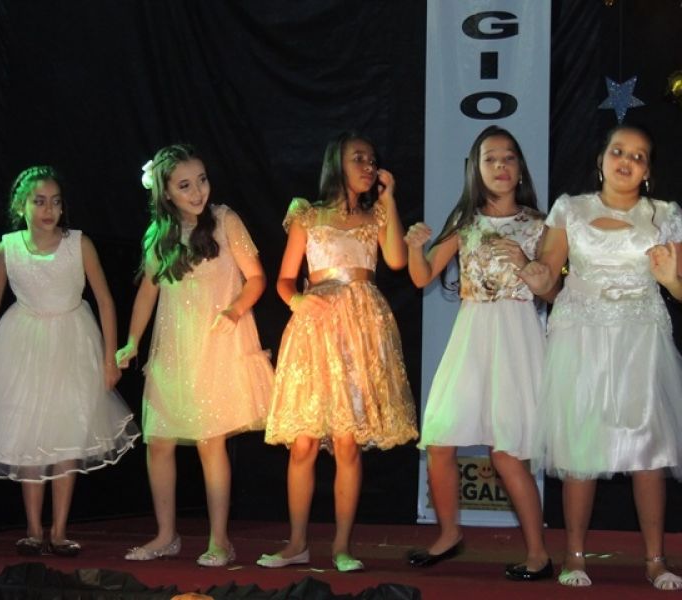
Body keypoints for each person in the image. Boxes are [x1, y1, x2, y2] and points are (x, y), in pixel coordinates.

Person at [519, 124, 682, 590]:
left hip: (640, 335)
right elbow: (549, 275)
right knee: (581, 446)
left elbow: (679, 288)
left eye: (638, 156)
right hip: (581, 335)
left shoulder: (665, 214)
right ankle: (574, 556)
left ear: (647, 171)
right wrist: (536, 276)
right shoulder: (570, 208)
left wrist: (671, 280)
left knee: (648, 447)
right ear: (601, 159)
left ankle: (655, 560)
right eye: (618, 151)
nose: (626, 161)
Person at [257, 131, 419, 573]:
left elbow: (397, 260)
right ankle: (296, 543)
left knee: (348, 442)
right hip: (316, 328)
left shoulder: (376, 215)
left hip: (360, 327)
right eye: (358, 158)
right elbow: (284, 279)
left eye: (372, 159)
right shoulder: (307, 215)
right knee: (303, 443)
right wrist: (298, 300)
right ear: (337, 164)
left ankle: (343, 546)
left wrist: (390, 198)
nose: (368, 165)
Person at [0, 165, 139, 557]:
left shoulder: (79, 244)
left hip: (72, 341)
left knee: (66, 433)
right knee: (28, 435)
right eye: (39, 202)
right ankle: (32, 528)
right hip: (23, 344)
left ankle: (58, 531)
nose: (49, 210)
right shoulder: (7, 249)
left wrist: (109, 358)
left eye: (56, 202)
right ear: (20, 205)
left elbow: (105, 300)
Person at [404, 125, 551, 580]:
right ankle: (449, 533)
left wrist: (528, 264)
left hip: (516, 336)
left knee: (507, 452)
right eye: (490, 158)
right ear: (475, 169)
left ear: (520, 167)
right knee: (439, 438)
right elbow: (422, 275)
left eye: (509, 157)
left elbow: (552, 288)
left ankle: (539, 554)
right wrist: (414, 248)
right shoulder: (465, 223)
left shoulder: (539, 224)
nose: (501, 166)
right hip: (472, 334)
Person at [116, 144, 273, 567]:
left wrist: (234, 311)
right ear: (166, 192)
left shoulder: (225, 221)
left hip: (215, 345)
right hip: (172, 350)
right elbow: (148, 292)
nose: (198, 191)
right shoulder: (158, 235)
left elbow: (256, 277)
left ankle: (220, 540)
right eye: (185, 185)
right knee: (159, 442)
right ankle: (166, 535)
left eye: (201, 180)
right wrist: (131, 341)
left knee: (210, 442)